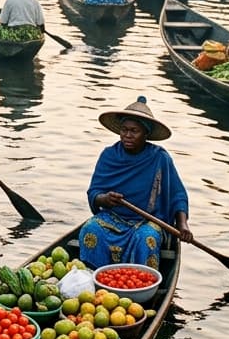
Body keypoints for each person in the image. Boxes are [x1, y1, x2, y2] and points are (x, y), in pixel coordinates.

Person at [79, 95, 192, 269]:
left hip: (148, 221)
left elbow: (178, 195)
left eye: (134, 131)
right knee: (90, 229)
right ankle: (97, 276)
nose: (127, 135)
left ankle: (141, 284)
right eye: (124, 130)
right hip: (113, 217)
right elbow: (94, 192)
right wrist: (105, 199)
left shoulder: (160, 158)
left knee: (146, 238)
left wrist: (183, 225)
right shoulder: (109, 155)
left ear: (146, 134)